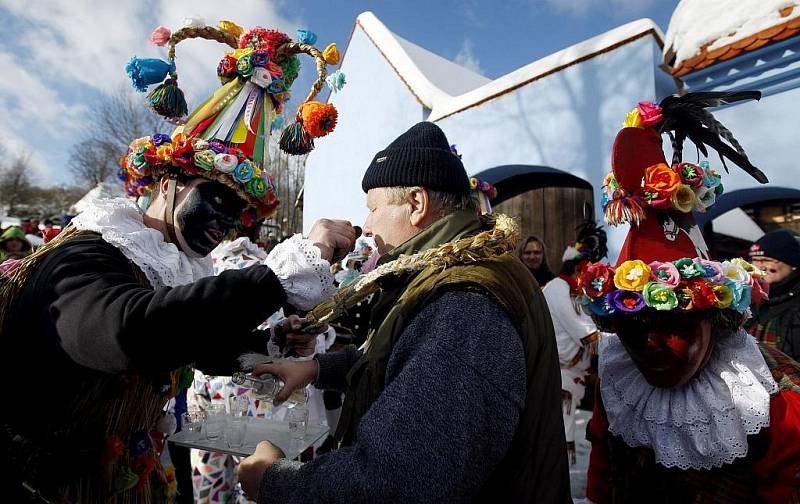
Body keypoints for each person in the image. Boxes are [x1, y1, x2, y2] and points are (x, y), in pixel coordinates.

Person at [0, 21, 350, 503]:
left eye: (239, 215)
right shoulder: (86, 251)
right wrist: (274, 278)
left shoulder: (165, 265)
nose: (226, 225)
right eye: (216, 202)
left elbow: (193, 344)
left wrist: (271, 341)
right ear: (167, 184)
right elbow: (131, 332)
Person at [238, 121, 570, 503]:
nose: (366, 225)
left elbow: (395, 481)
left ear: (416, 204)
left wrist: (273, 480)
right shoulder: (450, 273)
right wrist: (317, 369)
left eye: (374, 208)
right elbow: (409, 358)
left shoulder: (465, 303)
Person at [581, 93, 800, 503]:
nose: (649, 345)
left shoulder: (772, 399)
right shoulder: (620, 386)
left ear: (714, 320)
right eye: (632, 325)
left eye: (675, 324)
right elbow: (602, 483)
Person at [543, 222, 606, 464]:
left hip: (572, 374)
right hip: (562, 375)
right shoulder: (559, 288)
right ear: (578, 266)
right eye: (586, 268)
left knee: (565, 429)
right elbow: (583, 330)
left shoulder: (571, 291)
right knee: (564, 432)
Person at [748, 229, 800, 360]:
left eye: (767, 259)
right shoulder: (748, 299)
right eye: (755, 259)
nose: (761, 266)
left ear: (792, 264)